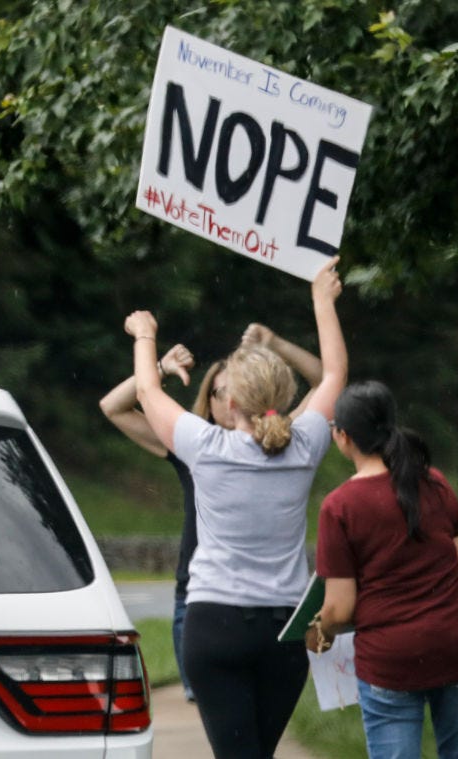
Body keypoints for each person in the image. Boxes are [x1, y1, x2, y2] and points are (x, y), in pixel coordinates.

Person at [123, 257, 347, 758]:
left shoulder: (205, 446)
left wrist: (145, 335)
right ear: (282, 395)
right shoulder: (305, 445)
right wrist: (321, 301)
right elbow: (334, 373)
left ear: (230, 403)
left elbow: (146, 390)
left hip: (215, 625)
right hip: (285, 630)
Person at [99, 328, 323, 703]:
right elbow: (113, 406)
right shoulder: (190, 443)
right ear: (213, 400)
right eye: (223, 391)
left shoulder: (281, 442)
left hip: (266, 605)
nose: (234, 397)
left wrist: (274, 343)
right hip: (200, 598)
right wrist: (158, 368)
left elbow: (323, 381)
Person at [306, 380, 458, 759]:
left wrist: (317, 632)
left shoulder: (340, 507)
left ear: (343, 436)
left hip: (392, 661)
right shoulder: (433, 481)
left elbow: (340, 608)